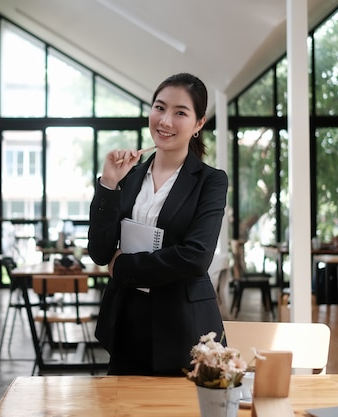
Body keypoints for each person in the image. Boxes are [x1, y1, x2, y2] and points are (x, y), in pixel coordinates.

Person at [88, 73, 228, 376]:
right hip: (126, 321)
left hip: (182, 326)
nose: (165, 121)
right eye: (160, 108)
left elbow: (196, 256)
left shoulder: (210, 181)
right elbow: (100, 252)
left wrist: (123, 267)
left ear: (199, 124)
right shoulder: (130, 176)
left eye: (180, 113)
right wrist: (109, 183)